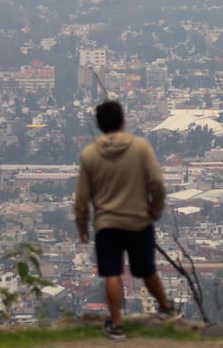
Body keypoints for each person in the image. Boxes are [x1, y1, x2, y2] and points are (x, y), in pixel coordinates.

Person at [74, 100, 180, 340]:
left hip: (107, 224)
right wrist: (155, 210)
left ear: (100, 126)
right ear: (124, 120)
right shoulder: (140, 148)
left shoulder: (89, 155)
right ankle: (166, 307)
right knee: (146, 269)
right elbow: (157, 183)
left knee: (111, 272)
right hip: (138, 220)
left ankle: (117, 325)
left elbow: (82, 198)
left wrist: (82, 226)